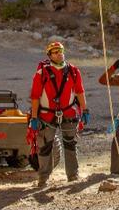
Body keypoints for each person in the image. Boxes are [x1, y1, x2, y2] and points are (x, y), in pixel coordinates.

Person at [29, 41, 89, 187]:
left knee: (70, 144)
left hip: (69, 111)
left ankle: (73, 176)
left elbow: (80, 92)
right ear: (49, 55)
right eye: (55, 52)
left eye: (61, 51)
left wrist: (85, 110)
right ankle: (43, 178)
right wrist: (34, 117)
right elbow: (35, 96)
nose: (59, 53)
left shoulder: (73, 71)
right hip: (46, 115)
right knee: (45, 146)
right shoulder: (42, 72)